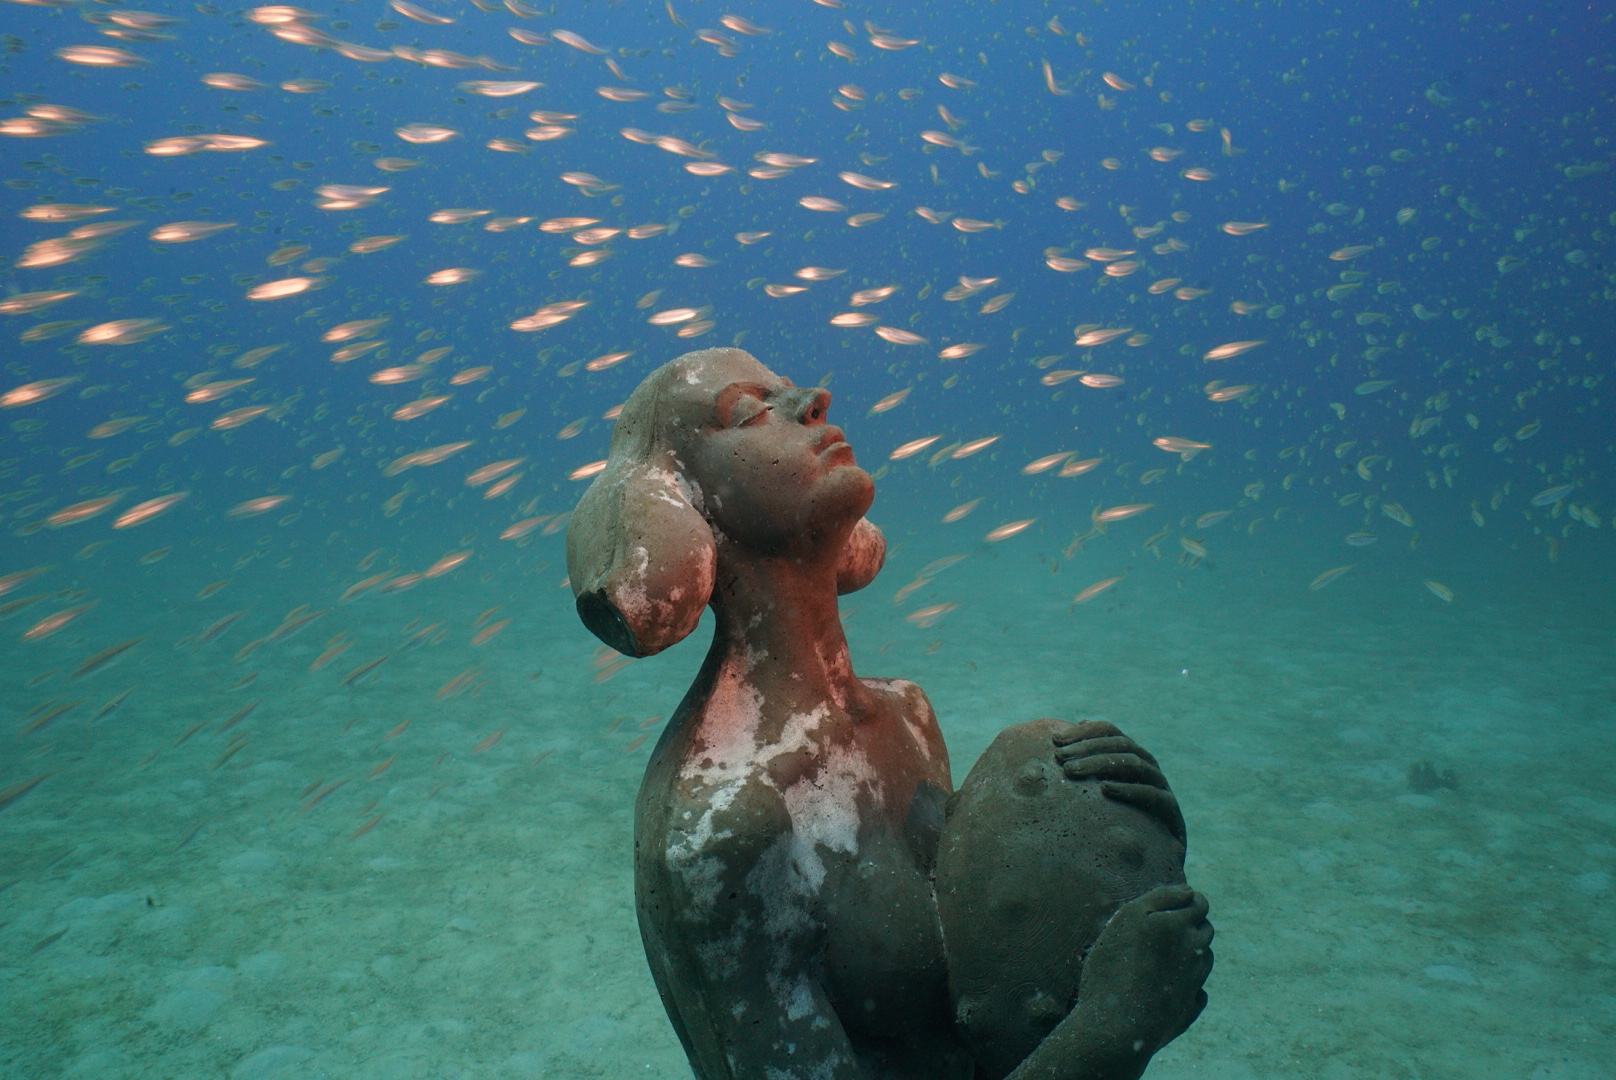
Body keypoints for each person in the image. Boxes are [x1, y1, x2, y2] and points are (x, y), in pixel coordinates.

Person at [567, 348, 1212, 1080]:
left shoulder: (907, 714)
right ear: (679, 498)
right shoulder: (725, 827)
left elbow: (976, 960)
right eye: (746, 414)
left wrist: (1128, 836)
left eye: (791, 389)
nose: (813, 400)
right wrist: (1111, 1028)